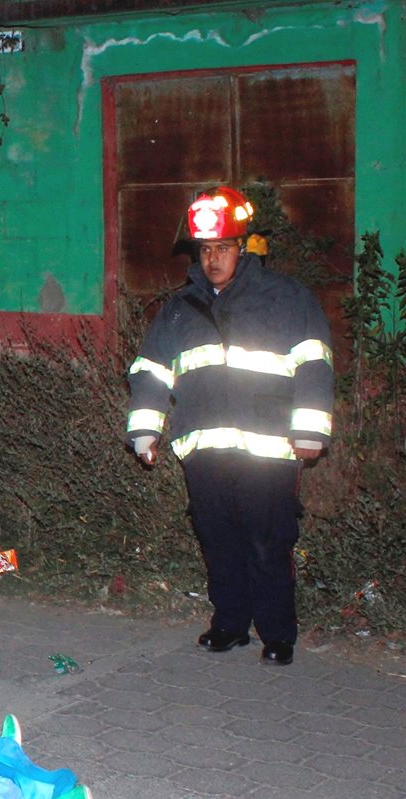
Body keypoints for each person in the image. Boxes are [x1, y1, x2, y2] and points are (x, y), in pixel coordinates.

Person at [126, 187, 334, 667]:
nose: (213, 259)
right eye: (205, 250)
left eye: (222, 248)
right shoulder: (181, 308)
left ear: (245, 248)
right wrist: (145, 430)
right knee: (218, 539)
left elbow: (314, 364)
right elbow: (151, 370)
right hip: (206, 450)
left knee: (268, 541)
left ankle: (277, 633)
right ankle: (230, 625)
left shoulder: (286, 299)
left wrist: (310, 432)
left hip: (269, 451)